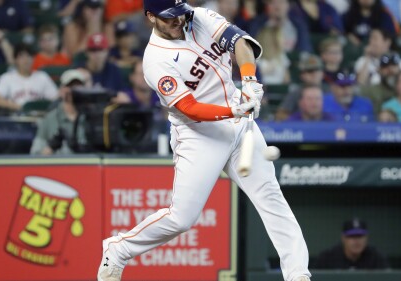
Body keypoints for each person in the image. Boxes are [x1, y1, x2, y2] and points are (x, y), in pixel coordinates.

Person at [97, 1, 311, 281]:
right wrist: (232, 110)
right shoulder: (155, 60)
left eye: (180, 14)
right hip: (199, 134)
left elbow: (241, 44)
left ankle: (298, 276)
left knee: (271, 198)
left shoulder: (199, 17)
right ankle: (119, 248)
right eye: (169, 17)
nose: (178, 21)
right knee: (182, 218)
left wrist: (248, 80)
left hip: (240, 125)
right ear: (151, 17)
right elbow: (189, 107)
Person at [30, 69, 88, 155]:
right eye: (69, 86)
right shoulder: (49, 118)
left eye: (78, 86)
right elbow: (35, 154)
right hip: (58, 166)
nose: (73, 91)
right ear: (61, 90)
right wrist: (49, 149)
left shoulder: (92, 117)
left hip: (87, 166)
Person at [0, 44, 58, 112]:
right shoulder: (7, 77)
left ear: (34, 58)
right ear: (15, 59)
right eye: (22, 56)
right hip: (15, 116)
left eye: (29, 56)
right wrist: (19, 107)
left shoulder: (42, 77)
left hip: (39, 116)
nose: (26, 60)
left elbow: (55, 99)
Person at [314, 218, 389, 269]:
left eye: (360, 236)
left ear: (366, 238)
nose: (356, 241)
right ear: (343, 238)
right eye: (351, 236)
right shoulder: (327, 259)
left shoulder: (376, 258)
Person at [275, 54, 329, 120]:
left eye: (317, 69)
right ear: (302, 75)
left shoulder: (330, 90)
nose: (314, 74)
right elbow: (280, 114)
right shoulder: (296, 92)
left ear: (323, 73)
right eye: (310, 71)